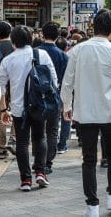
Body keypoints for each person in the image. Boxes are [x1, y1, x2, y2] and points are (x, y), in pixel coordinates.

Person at [61, 9, 111, 217]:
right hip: (109, 111)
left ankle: (92, 205)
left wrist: (66, 106)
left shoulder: (78, 50)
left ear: (93, 27)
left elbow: (67, 82)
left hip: (85, 112)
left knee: (89, 159)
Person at [0, 26, 57, 191]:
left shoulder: (8, 60)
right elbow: (54, 80)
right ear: (31, 39)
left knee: (22, 142)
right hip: (39, 105)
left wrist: (3, 110)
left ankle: (25, 180)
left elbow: (0, 87)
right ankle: (40, 172)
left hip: (19, 108)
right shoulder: (41, 54)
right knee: (40, 137)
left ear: (13, 41)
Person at [38, 22, 70, 169]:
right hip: (55, 97)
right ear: (58, 36)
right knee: (52, 130)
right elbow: (66, 80)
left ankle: (39, 160)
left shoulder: (35, 52)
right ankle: (48, 162)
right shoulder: (63, 55)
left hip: (36, 97)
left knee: (38, 130)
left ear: (42, 34)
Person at [0, 20, 15, 160]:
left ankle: (2, 149)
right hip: (14, 84)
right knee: (16, 112)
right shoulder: (15, 47)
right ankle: (13, 139)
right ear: (11, 32)